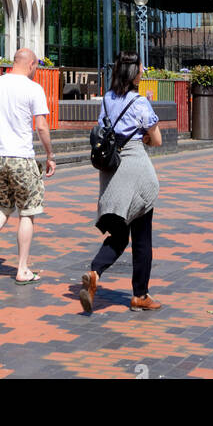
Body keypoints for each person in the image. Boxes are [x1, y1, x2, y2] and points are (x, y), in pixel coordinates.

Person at [80, 53, 163, 314]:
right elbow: (157, 139)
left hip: (111, 170)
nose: (144, 70)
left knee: (119, 232)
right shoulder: (139, 102)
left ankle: (95, 271)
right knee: (142, 236)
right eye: (141, 68)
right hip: (135, 169)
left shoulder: (106, 99)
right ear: (134, 73)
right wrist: (144, 138)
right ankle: (140, 295)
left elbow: (104, 130)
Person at [0, 48, 55, 284]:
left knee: (2, 207)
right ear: (30, 64)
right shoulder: (33, 88)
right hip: (21, 158)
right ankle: (22, 269)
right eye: (36, 67)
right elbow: (41, 126)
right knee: (27, 212)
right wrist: (50, 154)